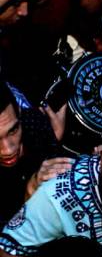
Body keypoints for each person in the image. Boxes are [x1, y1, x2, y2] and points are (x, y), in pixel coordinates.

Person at [0, 81, 70, 227]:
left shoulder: (33, 123)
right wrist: (29, 196)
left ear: (19, 113)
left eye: (13, 130)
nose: (8, 149)